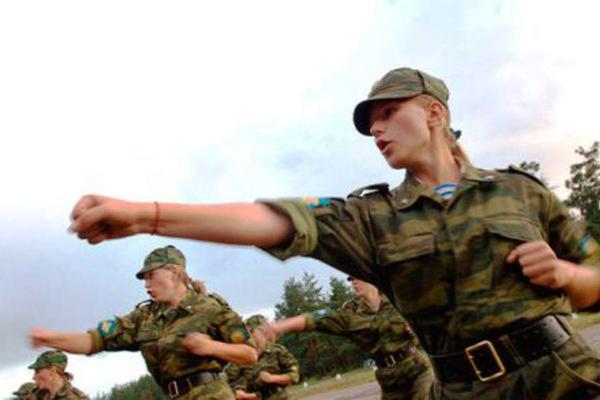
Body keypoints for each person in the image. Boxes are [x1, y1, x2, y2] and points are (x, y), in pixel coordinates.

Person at [68, 67, 600, 398]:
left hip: (566, 375)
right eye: (371, 125)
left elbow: (594, 278)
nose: (377, 130)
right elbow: (271, 220)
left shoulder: (519, 191)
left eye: (389, 113)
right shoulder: (372, 216)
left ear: (434, 113)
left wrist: (568, 276)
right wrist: (147, 216)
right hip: (461, 389)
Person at [30, 245, 257, 399]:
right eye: (144, 279)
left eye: (151, 276)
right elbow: (94, 340)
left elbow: (249, 354)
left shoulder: (210, 309)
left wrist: (210, 346)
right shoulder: (144, 317)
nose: (146, 285)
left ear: (174, 272)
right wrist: (50, 338)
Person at [265, 277, 434, 399]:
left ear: (370, 277)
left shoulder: (397, 299)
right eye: (350, 279)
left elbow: (431, 314)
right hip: (389, 379)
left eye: (356, 277)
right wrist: (281, 326)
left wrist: (419, 328)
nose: (353, 282)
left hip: (417, 370)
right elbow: (317, 319)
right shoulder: (350, 313)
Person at [226, 314, 299, 399]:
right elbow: (229, 381)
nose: (249, 336)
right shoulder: (242, 357)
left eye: (252, 331)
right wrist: (238, 391)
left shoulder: (277, 351)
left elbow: (294, 375)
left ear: (262, 331)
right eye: (248, 332)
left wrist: (272, 378)